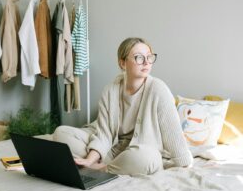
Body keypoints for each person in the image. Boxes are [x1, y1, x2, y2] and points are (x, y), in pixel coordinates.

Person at [53, 37, 193, 175]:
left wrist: (184, 162)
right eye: (139, 57)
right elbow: (104, 134)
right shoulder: (110, 90)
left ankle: (103, 168)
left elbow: (173, 133)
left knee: (146, 158)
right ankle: (98, 165)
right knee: (61, 133)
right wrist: (89, 160)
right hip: (113, 149)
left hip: (141, 151)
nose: (146, 62)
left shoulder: (158, 89)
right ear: (123, 63)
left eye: (149, 57)